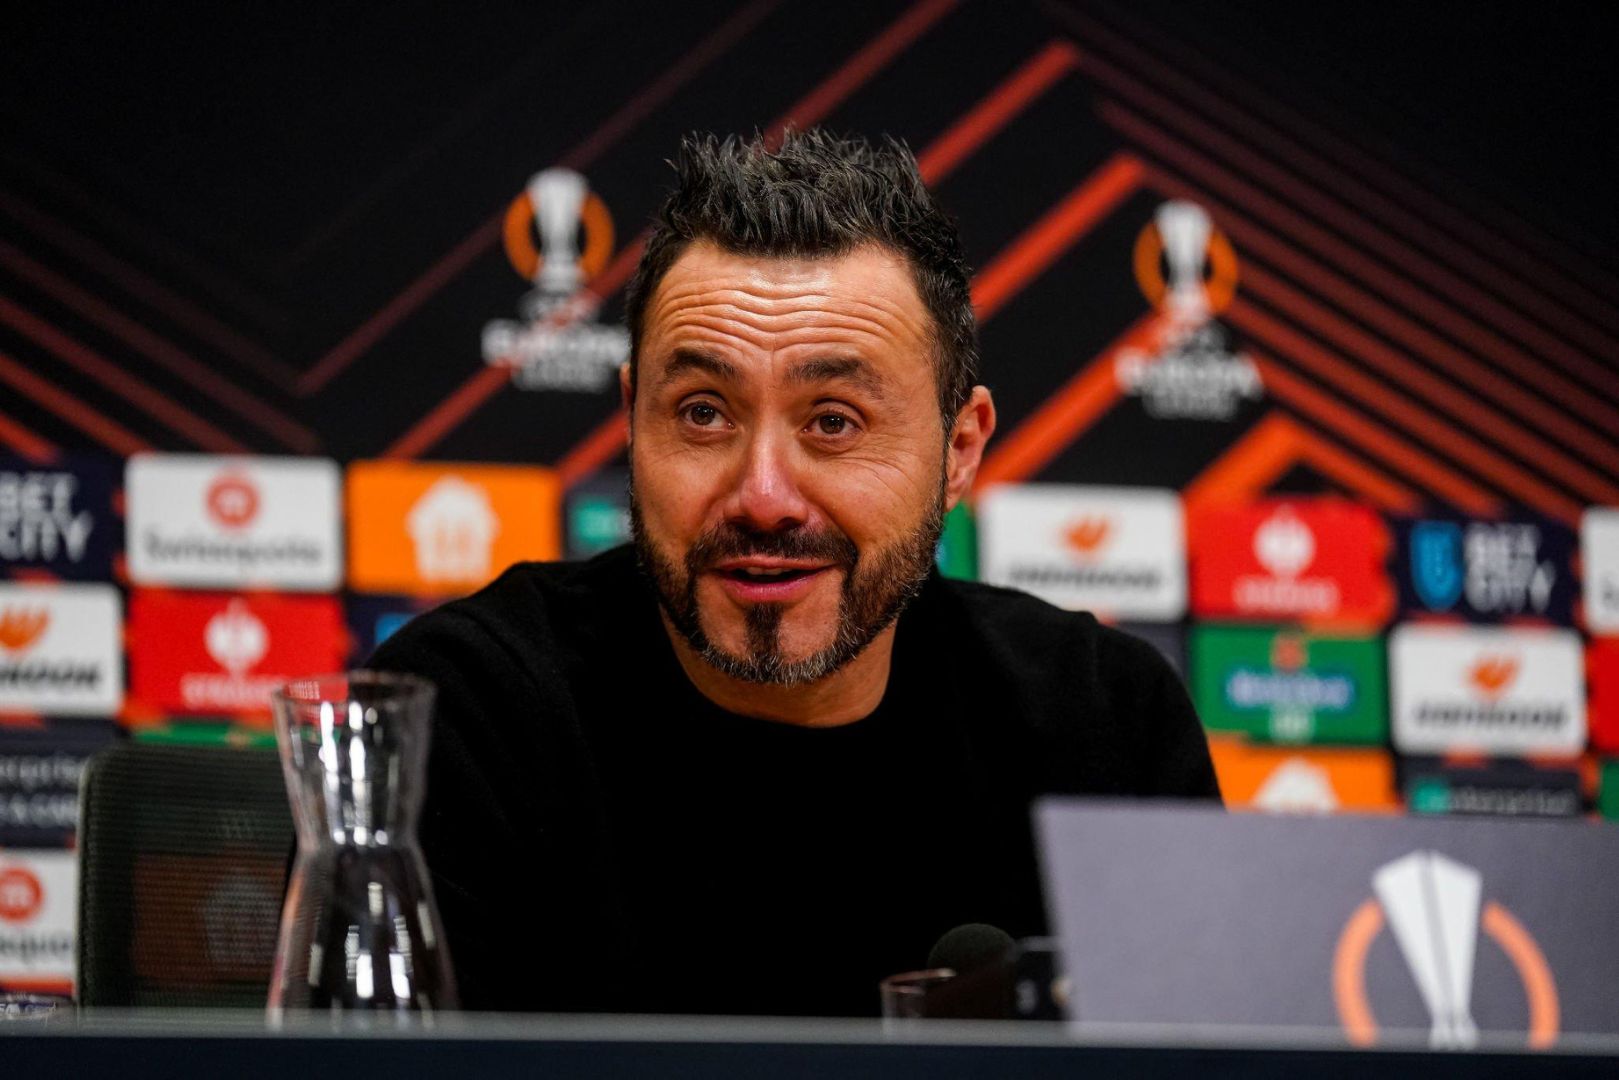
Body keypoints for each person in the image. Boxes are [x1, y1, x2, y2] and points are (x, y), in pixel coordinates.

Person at [369, 129, 1218, 1017]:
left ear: (959, 451)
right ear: (631, 421)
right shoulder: (464, 714)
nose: (763, 496)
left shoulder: (1104, 720)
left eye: (834, 421)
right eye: (703, 413)